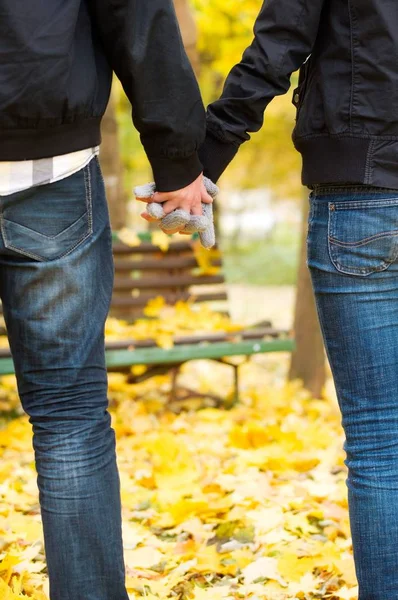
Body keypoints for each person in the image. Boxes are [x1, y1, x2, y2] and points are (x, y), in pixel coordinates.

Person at [140, 1, 398, 598]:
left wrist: (201, 163)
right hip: (364, 190)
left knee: (382, 440)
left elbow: (278, 45)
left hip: (364, 194)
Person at [0, 1, 213, 599]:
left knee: (71, 418)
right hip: (51, 171)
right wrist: (177, 162)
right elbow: (137, 16)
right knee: (69, 418)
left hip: (55, 170)